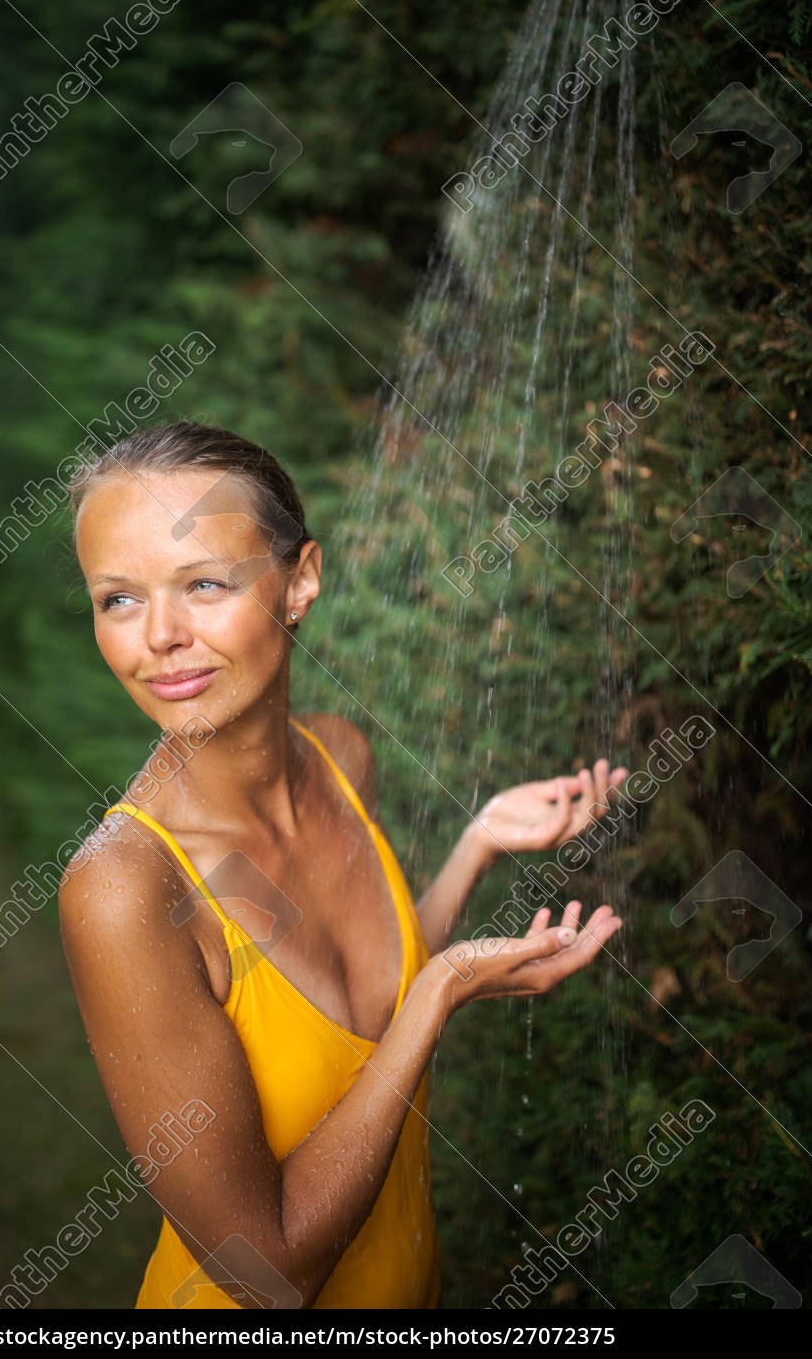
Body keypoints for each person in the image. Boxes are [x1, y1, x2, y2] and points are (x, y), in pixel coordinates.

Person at [59, 420, 626, 1310]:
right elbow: (268, 1273)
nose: (157, 636)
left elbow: (360, 1018)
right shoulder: (129, 888)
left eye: (203, 583)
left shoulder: (339, 758)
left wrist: (474, 844)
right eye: (117, 599)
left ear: (302, 580)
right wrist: (440, 992)